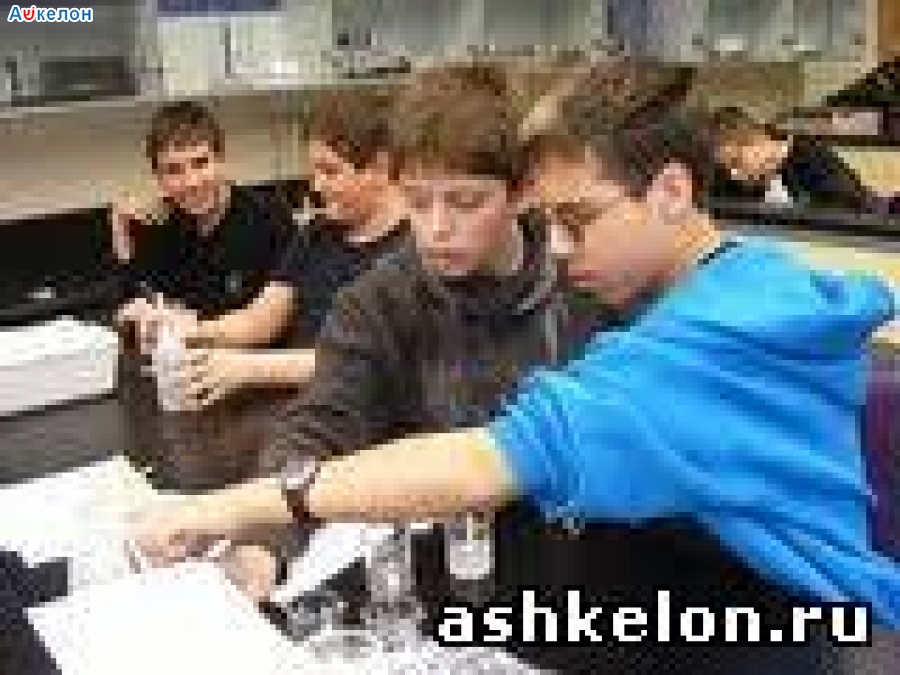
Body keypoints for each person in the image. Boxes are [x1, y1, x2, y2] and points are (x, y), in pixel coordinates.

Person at [134, 58, 900, 638]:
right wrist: (264, 538)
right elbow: (326, 419)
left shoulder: (689, 339)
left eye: (577, 219)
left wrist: (229, 505)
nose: (560, 247)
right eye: (417, 202)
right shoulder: (741, 278)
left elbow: (487, 460)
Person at [170, 86, 408, 409]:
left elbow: (365, 361)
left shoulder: (414, 250)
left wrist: (248, 368)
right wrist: (190, 331)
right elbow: (260, 320)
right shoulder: (317, 233)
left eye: (330, 171)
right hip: (300, 408)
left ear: (379, 167)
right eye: (314, 171)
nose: (316, 186)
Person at [113, 101, 299, 351]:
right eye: (173, 170)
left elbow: (273, 324)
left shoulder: (269, 220)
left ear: (221, 161)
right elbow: (130, 309)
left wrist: (184, 324)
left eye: (201, 163)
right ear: (159, 179)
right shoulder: (162, 225)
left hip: (255, 365)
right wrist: (122, 235)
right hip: (184, 363)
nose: (191, 182)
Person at [705, 105, 887, 213]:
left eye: (736, 162)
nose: (734, 174)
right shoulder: (735, 181)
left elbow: (855, 211)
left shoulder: (811, 158)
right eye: (727, 168)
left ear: (757, 140)